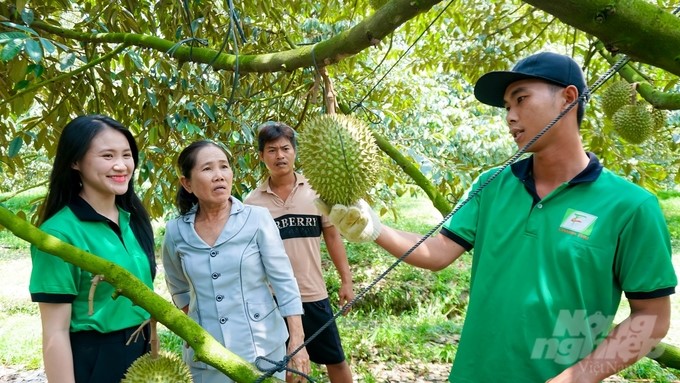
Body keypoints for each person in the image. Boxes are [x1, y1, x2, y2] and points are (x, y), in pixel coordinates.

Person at [316, 52, 678, 382]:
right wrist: (373, 228)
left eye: (521, 99)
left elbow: (652, 318)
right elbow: (437, 251)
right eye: (506, 106)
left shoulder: (631, 206)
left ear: (568, 98)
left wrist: (575, 378)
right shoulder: (491, 185)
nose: (510, 117)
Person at [161, 140, 310, 383]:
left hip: (263, 351)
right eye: (207, 169)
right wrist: (197, 325)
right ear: (186, 183)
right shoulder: (176, 231)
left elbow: (283, 281)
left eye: (224, 166)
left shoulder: (257, 219)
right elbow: (177, 286)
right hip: (206, 355)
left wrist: (297, 341)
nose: (219, 175)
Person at [29, 115, 156, 383]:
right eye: (107, 156)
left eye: (126, 155)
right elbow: (55, 332)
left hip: (142, 350)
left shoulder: (132, 218)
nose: (121, 165)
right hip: (96, 359)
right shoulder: (58, 235)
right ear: (75, 162)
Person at [244, 122, 355, 383]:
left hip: (313, 292)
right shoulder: (252, 203)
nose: (279, 156)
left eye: (285, 148)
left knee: (335, 359)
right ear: (261, 156)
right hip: (274, 298)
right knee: (289, 366)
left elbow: (332, 236)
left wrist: (346, 280)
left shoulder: (317, 192)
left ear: (295, 151)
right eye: (271, 150)